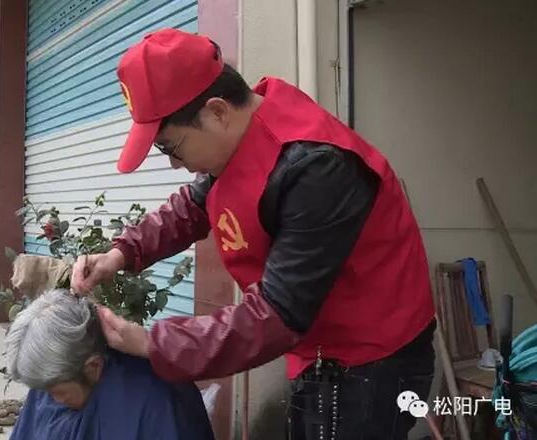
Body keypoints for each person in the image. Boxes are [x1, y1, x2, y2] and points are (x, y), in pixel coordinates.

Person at [71, 28, 437, 439]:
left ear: (217, 111)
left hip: (371, 360)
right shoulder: (235, 141)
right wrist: (120, 253)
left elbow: (276, 314)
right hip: (317, 344)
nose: (175, 164)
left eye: (171, 147)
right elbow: (191, 207)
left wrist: (151, 343)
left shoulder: (316, 168)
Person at [5, 289, 215, 440]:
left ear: (93, 366)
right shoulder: (52, 380)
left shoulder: (157, 405)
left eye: (57, 392)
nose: (51, 400)